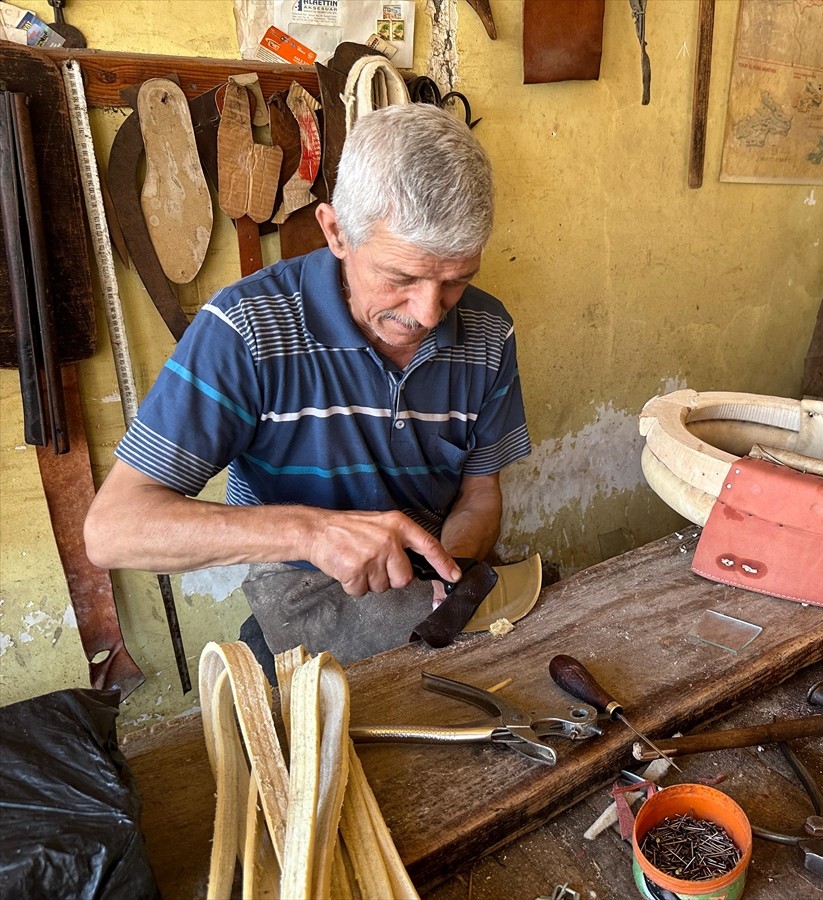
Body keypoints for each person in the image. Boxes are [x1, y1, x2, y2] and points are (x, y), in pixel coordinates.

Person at [84, 103, 531, 672]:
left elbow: (479, 492)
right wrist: (311, 532)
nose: (428, 312)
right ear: (336, 231)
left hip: (430, 585)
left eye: (455, 281)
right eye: (400, 278)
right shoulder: (246, 329)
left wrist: (455, 573)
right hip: (299, 595)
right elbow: (113, 529)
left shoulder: (489, 331)